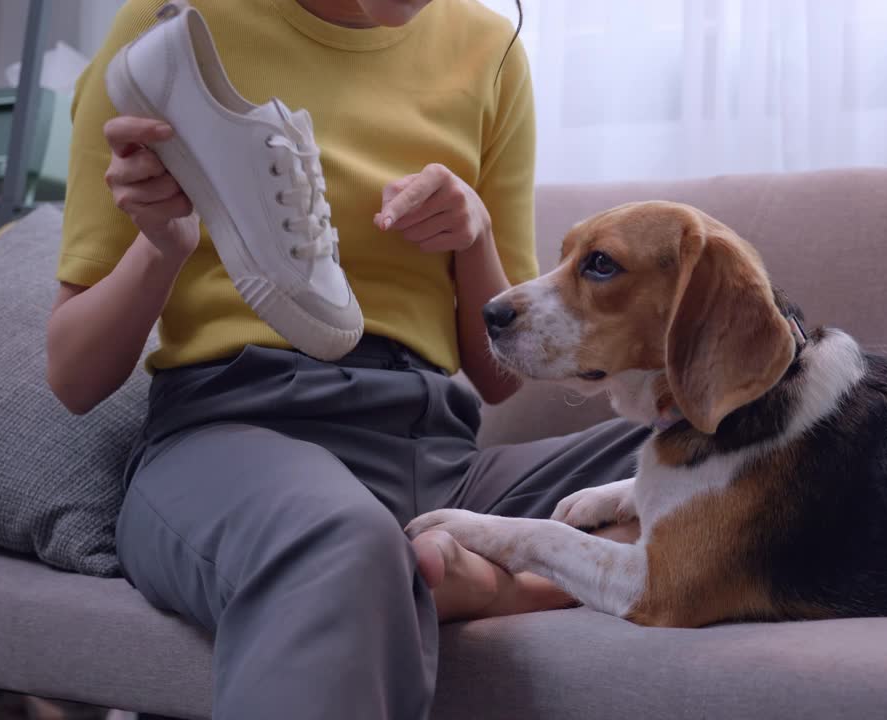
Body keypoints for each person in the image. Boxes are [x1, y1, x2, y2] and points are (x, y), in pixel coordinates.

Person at [46, 1, 646, 717]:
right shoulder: (169, 29)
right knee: (343, 539)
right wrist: (161, 247)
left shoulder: (489, 48)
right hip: (236, 436)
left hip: (439, 454)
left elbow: (496, 377)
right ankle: (471, 571)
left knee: (737, 447)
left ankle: (495, 581)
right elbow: (74, 376)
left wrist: (474, 236)